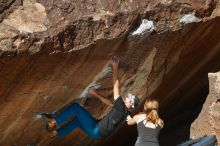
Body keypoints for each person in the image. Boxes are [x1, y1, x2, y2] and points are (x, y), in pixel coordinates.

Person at [45, 57, 140, 139]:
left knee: (75, 107)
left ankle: (53, 122)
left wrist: (115, 67)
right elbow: (109, 103)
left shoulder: (121, 107)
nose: (127, 97)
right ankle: (57, 133)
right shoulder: (125, 112)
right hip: (97, 134)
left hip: (96, 129)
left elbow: (116, 87)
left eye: (129, 98)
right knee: (77, 121)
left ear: (130, 104)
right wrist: (95, 93)